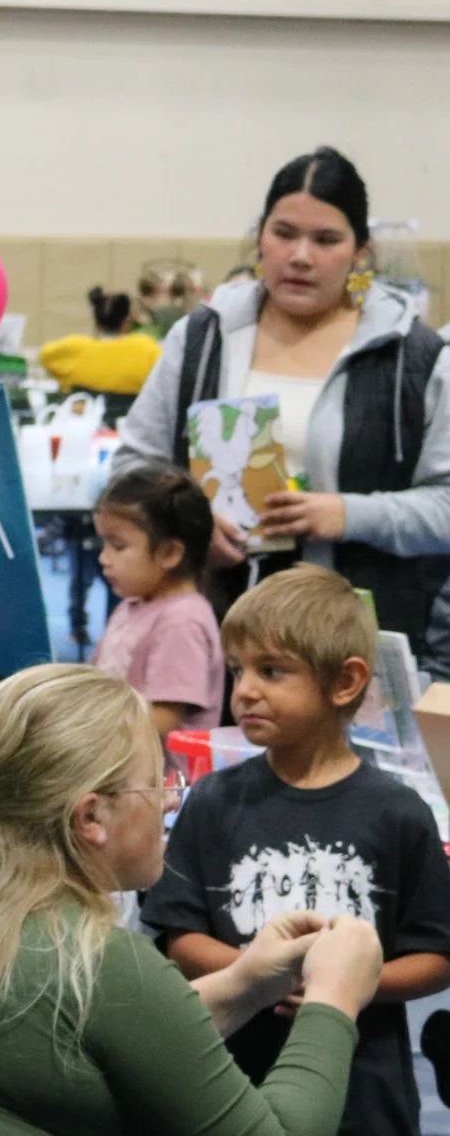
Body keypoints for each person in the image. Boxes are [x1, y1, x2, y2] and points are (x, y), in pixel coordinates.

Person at [0, 664, 383, 1136]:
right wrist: (334, 998)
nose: (170, 800)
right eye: (154, 781)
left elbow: (97, 1040)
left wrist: (245, 983)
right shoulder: (102, 962)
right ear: (90, 816)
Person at [145, 568, 450, 1136]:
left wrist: (344, 987)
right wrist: (259, 969)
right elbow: (176, 931)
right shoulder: (215, 801)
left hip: (365, 1124)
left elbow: (434, 952)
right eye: (237, 670)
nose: (243, 690)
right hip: (245, 1114)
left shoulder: (395, 813)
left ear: (346, 681)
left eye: (271, 671)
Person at [112, 147, 450, 672]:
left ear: (360, 251)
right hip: (214, 636)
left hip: (353, 647)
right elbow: (133, 467)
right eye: (285, 233)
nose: (300, 256)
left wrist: (347, 514)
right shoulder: (202, 337)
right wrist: (193, 522)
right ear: (260, 237)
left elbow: (446, 507)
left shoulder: (416, 356)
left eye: (326, 239)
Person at [91, 467, 223, 736]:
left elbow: (164, 718)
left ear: (170, 553)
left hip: (162, 776)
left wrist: (93, 738)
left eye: (118, 546)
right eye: (103, 544)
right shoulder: (132, 606)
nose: (103, 558)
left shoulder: (182, 621)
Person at [40, 286, 161, 411]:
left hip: (84, 422)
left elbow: (45, 355)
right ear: (126, 322)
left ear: (97, 323)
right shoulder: (147, 348)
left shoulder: (73, 348)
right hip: (131, 421)